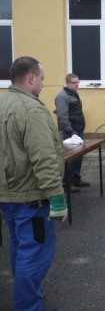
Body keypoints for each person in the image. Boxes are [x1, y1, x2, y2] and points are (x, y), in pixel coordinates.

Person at [0, 56, 68, 311]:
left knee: (20, 248)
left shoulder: (4, 103)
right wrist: (56, 195)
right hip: (31, 196)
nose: (42, 83)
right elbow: (43, 157)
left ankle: (26, 298)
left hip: (10, 194)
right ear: (31, 78)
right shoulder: (31, 109)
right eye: (41, 78)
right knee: (35, 254)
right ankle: (28, 306)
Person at [54, 73, 90, 193]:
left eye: (77, 82)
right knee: (70, 159)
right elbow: (62, 116)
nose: (77, 85)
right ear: (68, 83)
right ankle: (66, 184)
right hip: (71, 132)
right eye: (74, 83)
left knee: (78, 157)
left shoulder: (73, 93)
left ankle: (76, 179)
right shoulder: (62, 96)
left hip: (78, 129)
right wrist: (70, 131)